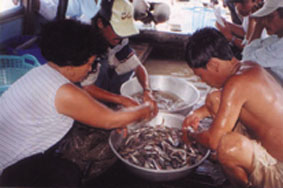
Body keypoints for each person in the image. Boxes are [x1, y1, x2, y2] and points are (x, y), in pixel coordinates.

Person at [0, 19, 154, 186]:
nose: (90, 69)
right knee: (75, 169)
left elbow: (88, 107)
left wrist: (117, 116)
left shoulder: (42, 71)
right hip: (9, 171)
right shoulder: (63, 92)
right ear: (70, 65)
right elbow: (110, 120)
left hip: (10, 154)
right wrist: (146, 108)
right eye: (89, 64)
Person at [182, 27, 283, 188]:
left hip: (280, 170)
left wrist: (192, 134)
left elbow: (214, 141)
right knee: (214, 98)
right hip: (268, 146)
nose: (202, 81)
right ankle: (240, 163)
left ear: (214, 65)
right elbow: (219, 102)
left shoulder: (236, 84)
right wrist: (197, 113)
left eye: (200, 75)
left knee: (228, 147)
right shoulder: (249, 67)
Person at [82, 0, 158, 113]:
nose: (121, 36)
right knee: (101, 67)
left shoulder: (118, 39)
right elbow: (86, 86)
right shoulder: (87, 43)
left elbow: (137, 66)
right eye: (117, 30)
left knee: (125, 66)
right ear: (100, 23)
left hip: (99, 78)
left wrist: (147, 90)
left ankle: (110, 103)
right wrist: (121, 100)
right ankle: (97, 108)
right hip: (79, 88)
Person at [242, 0, 283, 85]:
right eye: (263, 17)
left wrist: (259, 25)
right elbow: (247, 54)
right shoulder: (276, 38)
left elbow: (247, 62)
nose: (265, 21)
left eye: (270, 17)